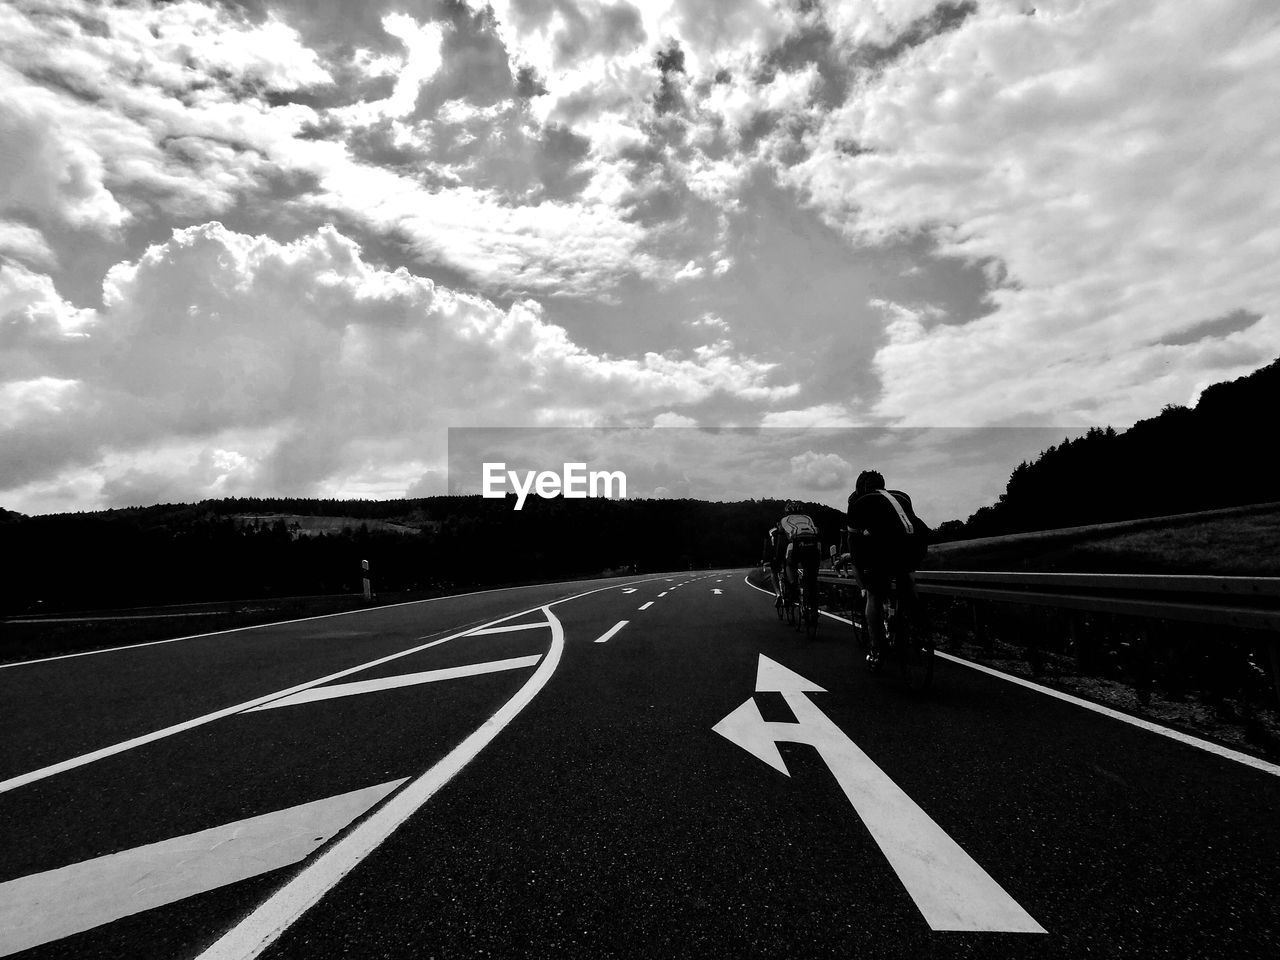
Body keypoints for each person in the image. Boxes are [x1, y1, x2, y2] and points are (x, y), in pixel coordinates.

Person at [846, 471, 928, 668]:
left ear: (861, 487)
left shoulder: (860, 501)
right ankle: (920, 629)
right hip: (916, 544)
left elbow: (854, 540)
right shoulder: (902, 496)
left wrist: (858, 565)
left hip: (885, 549)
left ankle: (877, 649)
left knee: (875, 595)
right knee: (905, 579)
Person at [776, 502, 822, 615]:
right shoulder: (808, 518)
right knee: (811, 579)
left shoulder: (784, 520)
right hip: (813, 546)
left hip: (795, 546)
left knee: (789, 565)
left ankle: (793, 587)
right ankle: (814, 606)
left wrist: (778, 559)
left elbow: (780, 539)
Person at [762, 526, 784, 608]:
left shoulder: (771, 534)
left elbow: (767, 548)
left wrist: (765, 561)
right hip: (788, 554)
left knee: (773, 573)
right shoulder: (786, 529)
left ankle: (778, 594)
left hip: (775, 558)